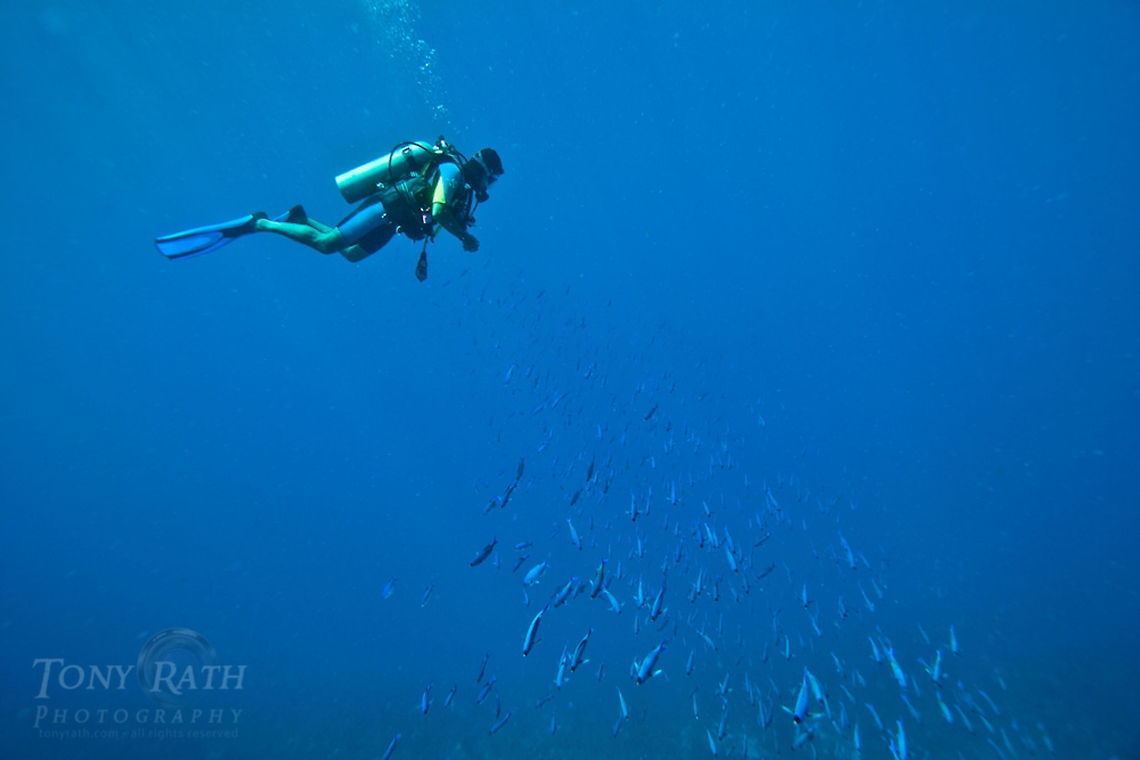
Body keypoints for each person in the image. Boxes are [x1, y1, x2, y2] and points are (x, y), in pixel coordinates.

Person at [155, 138, 503, 280]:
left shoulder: (461, 184)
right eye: (492, 180)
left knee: (350, 253)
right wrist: (464, 238)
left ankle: (300, 220)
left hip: (395, 222)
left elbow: (438, 213)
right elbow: (439, 210)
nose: (489, 188)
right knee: (327, 245)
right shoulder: (452, 172)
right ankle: (259, 223)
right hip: (388, 208)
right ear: (484, 171)